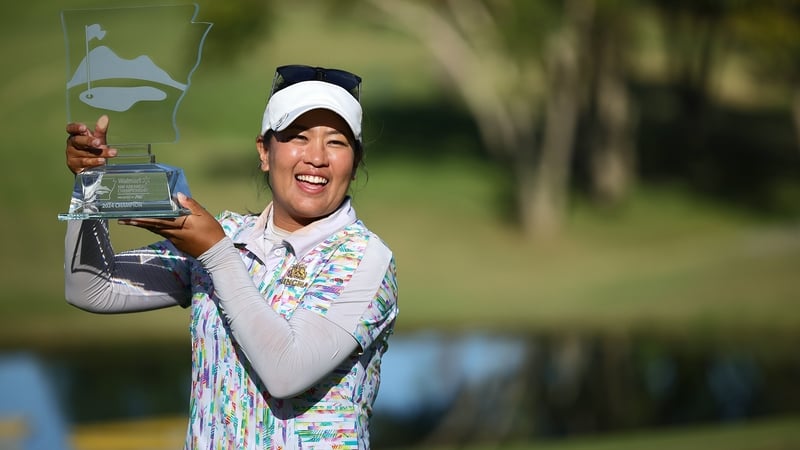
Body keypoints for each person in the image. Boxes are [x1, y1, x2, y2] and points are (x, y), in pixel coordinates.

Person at [63, 64, 399, 449]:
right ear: (265, 152)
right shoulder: (231, 235)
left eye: (336, 142)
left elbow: (286, 372)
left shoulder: (365, 258)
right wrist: (89, 187)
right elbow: (91, 287)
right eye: (297, 137)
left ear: (354, 164)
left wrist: (216, 255)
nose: (316, 157)